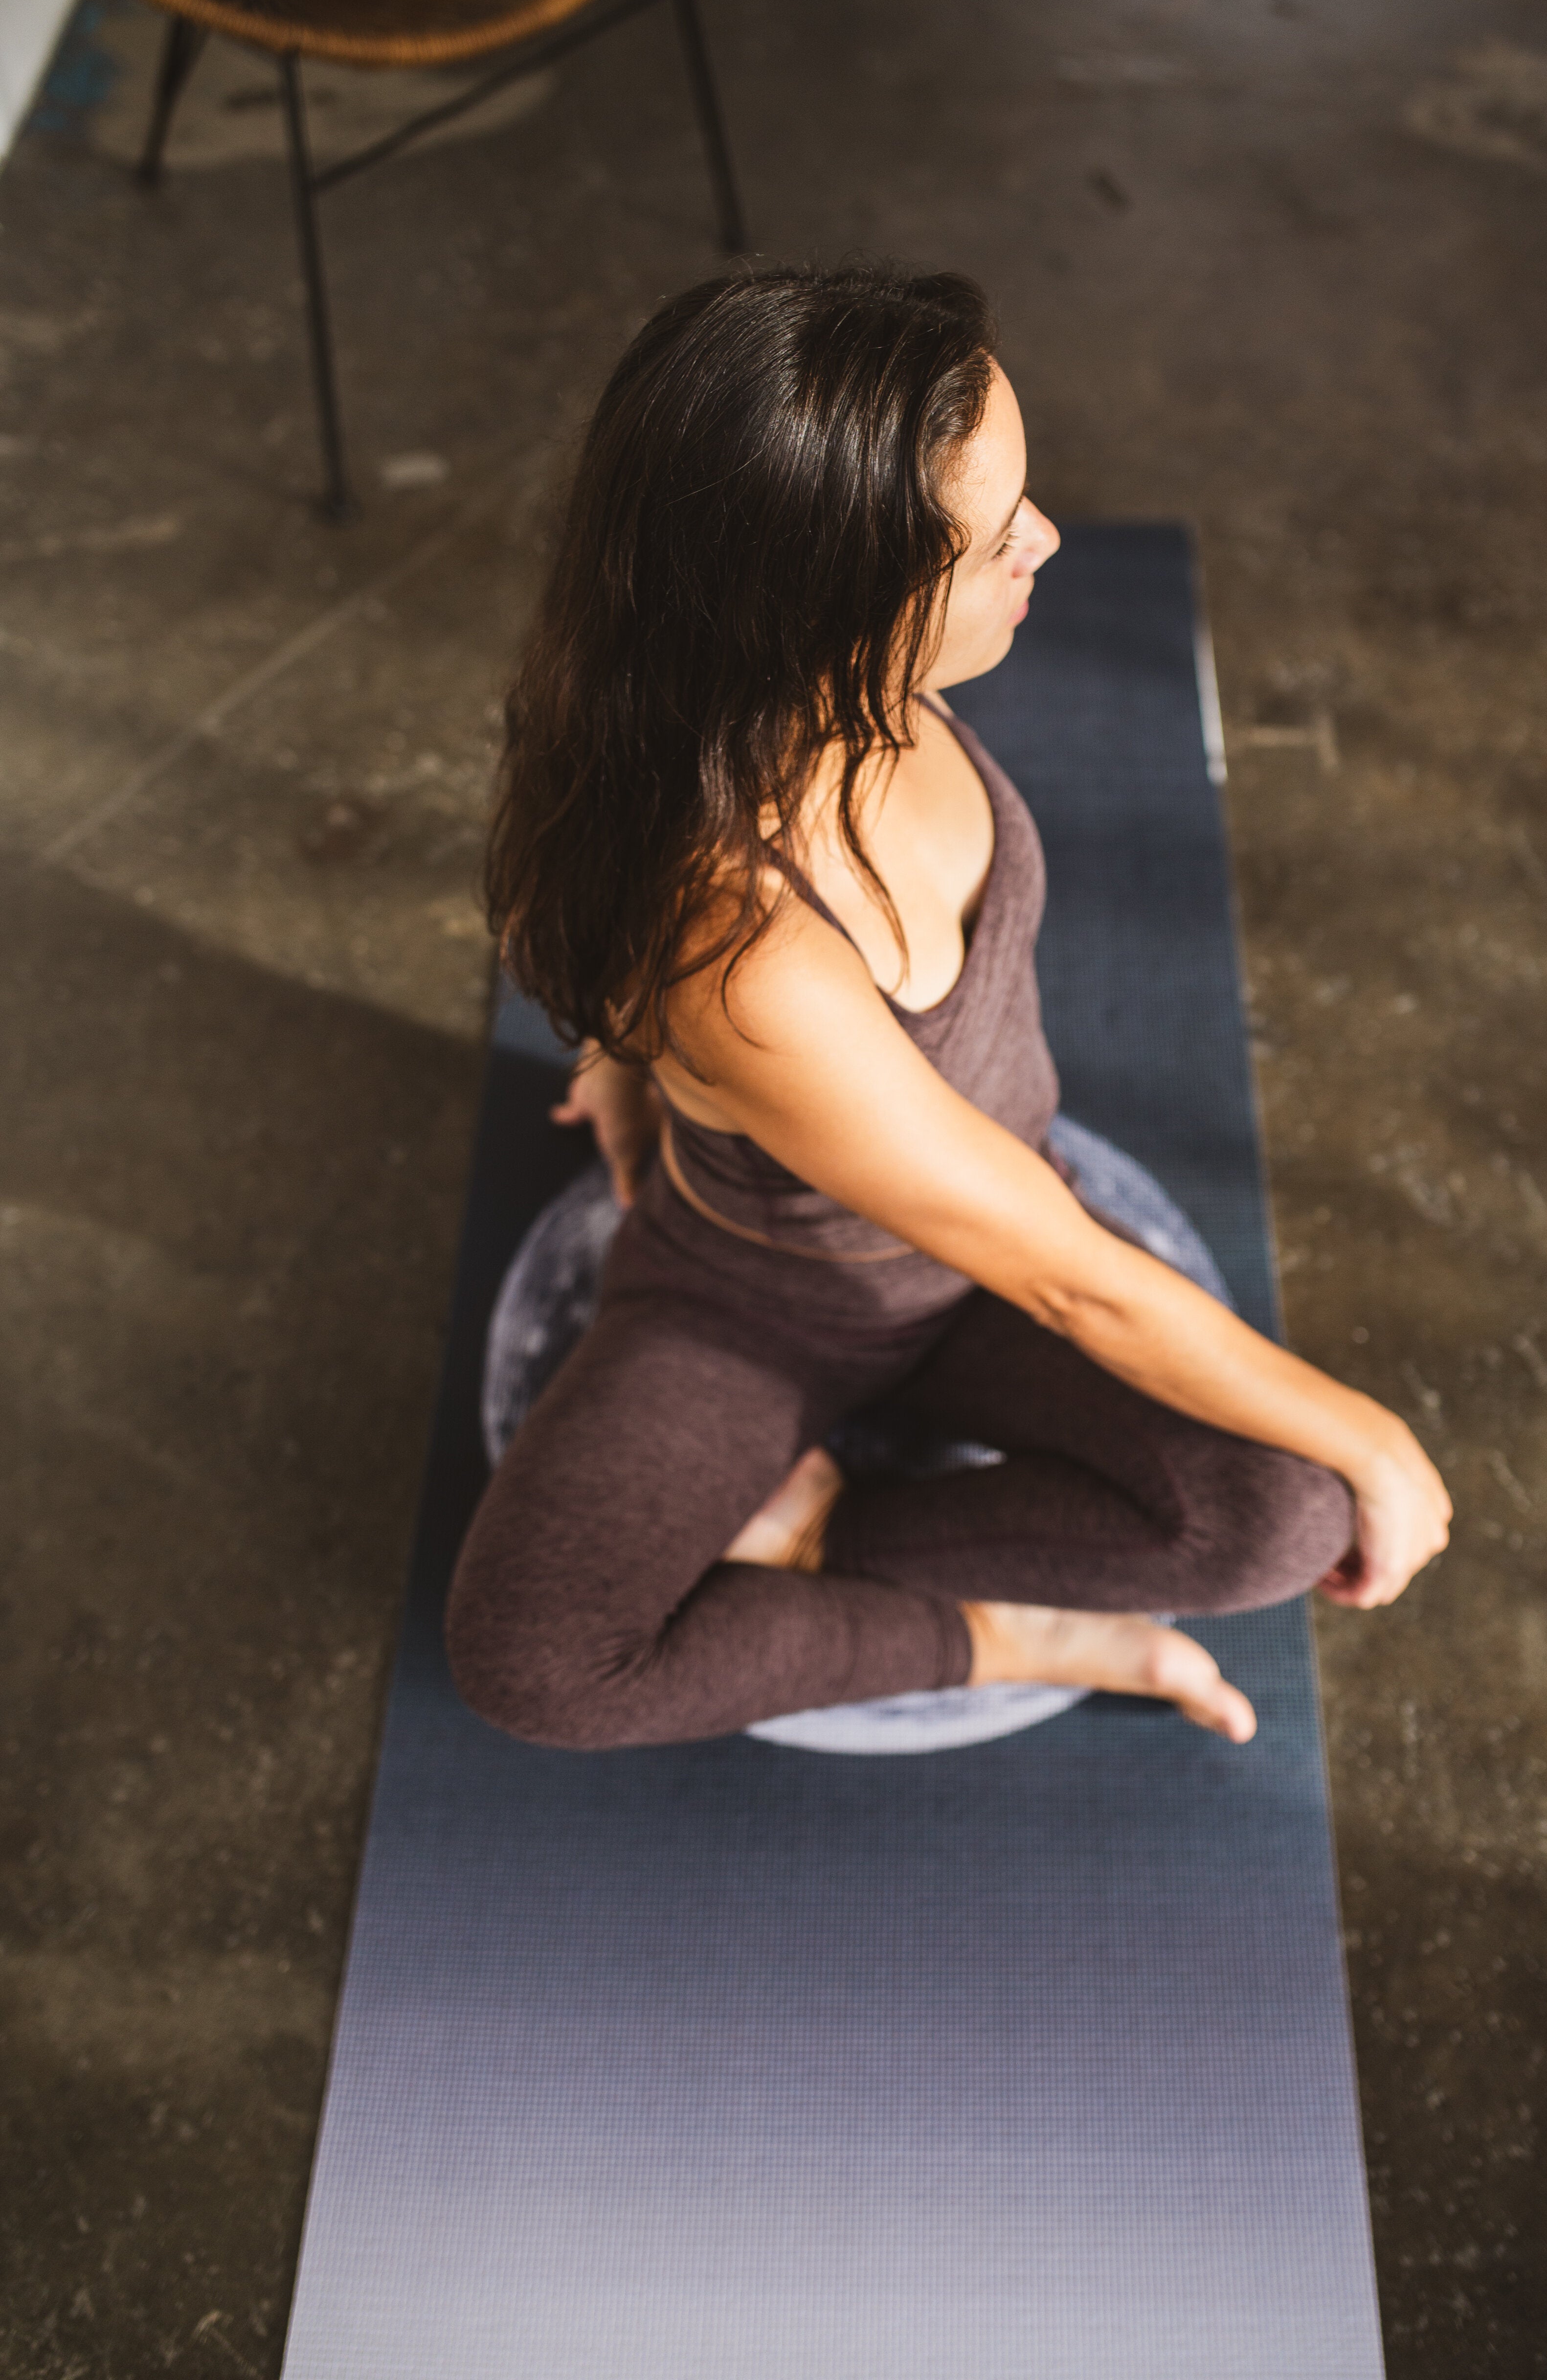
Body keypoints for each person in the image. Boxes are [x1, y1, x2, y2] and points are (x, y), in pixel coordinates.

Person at [446, 263, 1451, 1752]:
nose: (1046, 539)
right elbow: (1074, 1282)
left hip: (986, 1245)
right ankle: (993, 1631)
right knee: (541, 1662)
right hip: (773, 1307)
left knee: (1276, 1515)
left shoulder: (809, 691)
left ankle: (828, 1537)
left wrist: (624, 1056)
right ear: (829, 613)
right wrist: (1384, 1437)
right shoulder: (746, 950)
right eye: (995, 542)